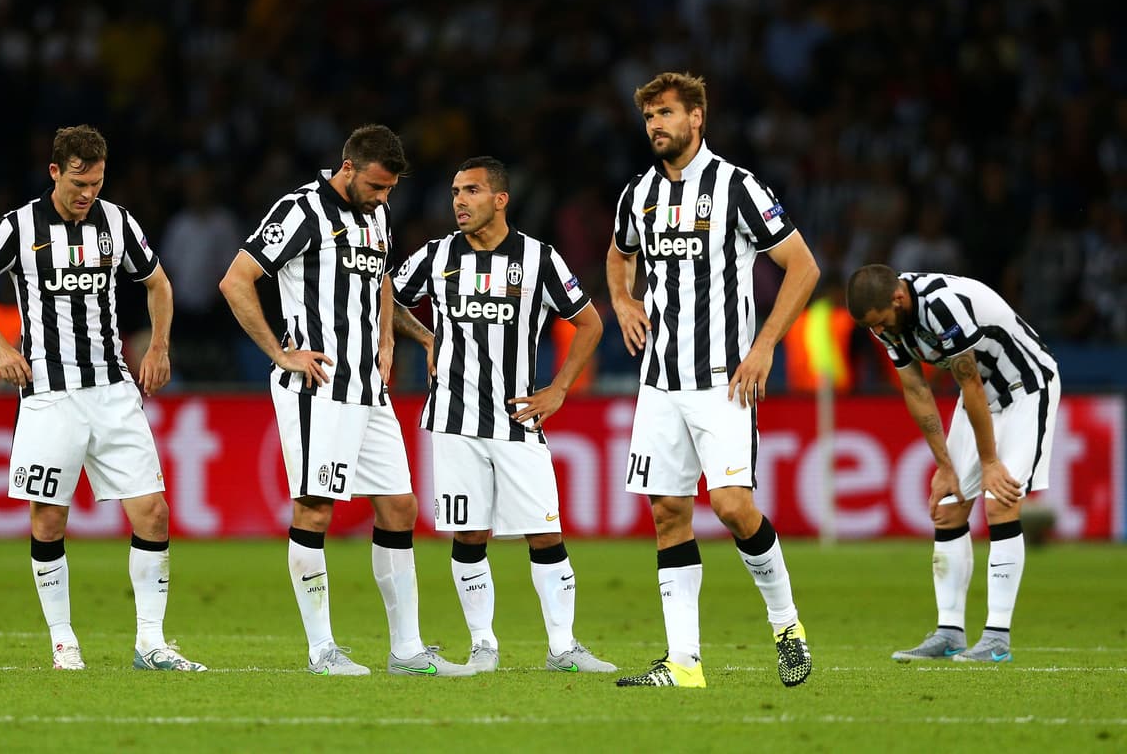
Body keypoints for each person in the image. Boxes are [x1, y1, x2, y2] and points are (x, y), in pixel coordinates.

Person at [0, 124, 206, 672]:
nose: (88, 193)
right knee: (49, 520)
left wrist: (159, 347)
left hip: (113, 390)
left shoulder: (117, 221)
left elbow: (158, 282)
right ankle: (63, 640)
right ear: (55, 172)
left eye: (97, 182)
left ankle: (150, 643)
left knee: (153, 514)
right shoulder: (19, 226)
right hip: (48, 394)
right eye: (79, 183)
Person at [219, 124, 473, 677]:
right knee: (316, 508)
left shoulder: (376, 215)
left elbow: (380, 280)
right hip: (319, 387)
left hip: (368, 388)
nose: (385, 199)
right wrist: (282, 354)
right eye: (378, 187)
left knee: (400, 506)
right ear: (349, 167)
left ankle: (406, 651)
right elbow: (236, 281)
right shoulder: (300, 211)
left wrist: (394, 336)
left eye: (391, 190)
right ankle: (321, 651)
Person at [606, 71, 819, 689]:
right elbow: (619, 253)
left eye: (666, 114)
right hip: (659, 382)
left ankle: (787, 626)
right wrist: (622, 300)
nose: (656, 126)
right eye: (649, 117)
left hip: (725, 377)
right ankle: (683, 663)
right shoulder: (637, 194)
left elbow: (802, 267)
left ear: (697, 117)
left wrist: (766, 345)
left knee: (731, 506)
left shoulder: (738, 188)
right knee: (669, 513)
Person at [391, 156, 616, 674]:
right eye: (454, 192)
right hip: (452, 420)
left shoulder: (539, 259)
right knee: (468, 535)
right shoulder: (435, 255)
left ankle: (563, 647)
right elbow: (387, 295)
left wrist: (559, 389)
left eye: (471, 191)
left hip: (517, 420)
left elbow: (589, 324)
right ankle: (482, 645)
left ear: (500, 199)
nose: (459, 202)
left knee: (545, 531)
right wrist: (424, 337)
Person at [845, 264, 1061, 663]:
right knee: (948, 509)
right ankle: (949, 632)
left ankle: (996, 638)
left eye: (881, 322)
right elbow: (915, 388)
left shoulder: (941, 304)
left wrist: (990, 461)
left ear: (898, 299)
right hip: (979, 398)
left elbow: (970, 381)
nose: (882, 331)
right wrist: (944, 466)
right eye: (872, 327)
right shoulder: (884, 322)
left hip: (1025, 388)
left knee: (1000, 502)